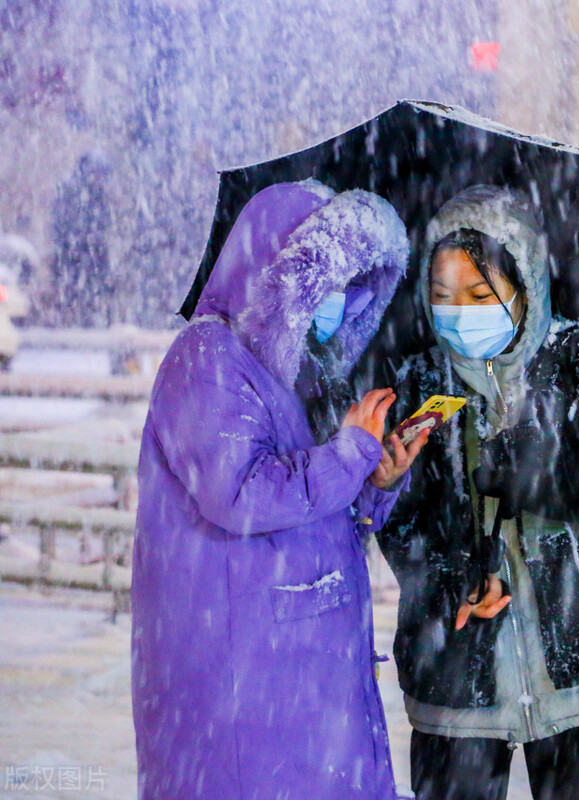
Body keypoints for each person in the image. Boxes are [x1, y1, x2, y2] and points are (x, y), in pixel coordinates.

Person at [375, 185, 579, 800]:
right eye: (441, 297)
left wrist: (542, 475)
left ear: (526, 286)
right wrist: (455, 574)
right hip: (458, 681)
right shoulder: (419, 385)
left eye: (480, 295)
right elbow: (401, 526)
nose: (458, 312)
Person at [132, 180, 428, 800]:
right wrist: (349, 454)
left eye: (349, 290)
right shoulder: (208, 357)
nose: (338, 304)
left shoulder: (299, 371)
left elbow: (316, 514)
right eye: (323, 285)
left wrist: (375, 481)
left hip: (305, 683)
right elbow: (238, 495)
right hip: (249, 684)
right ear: (275, 274)